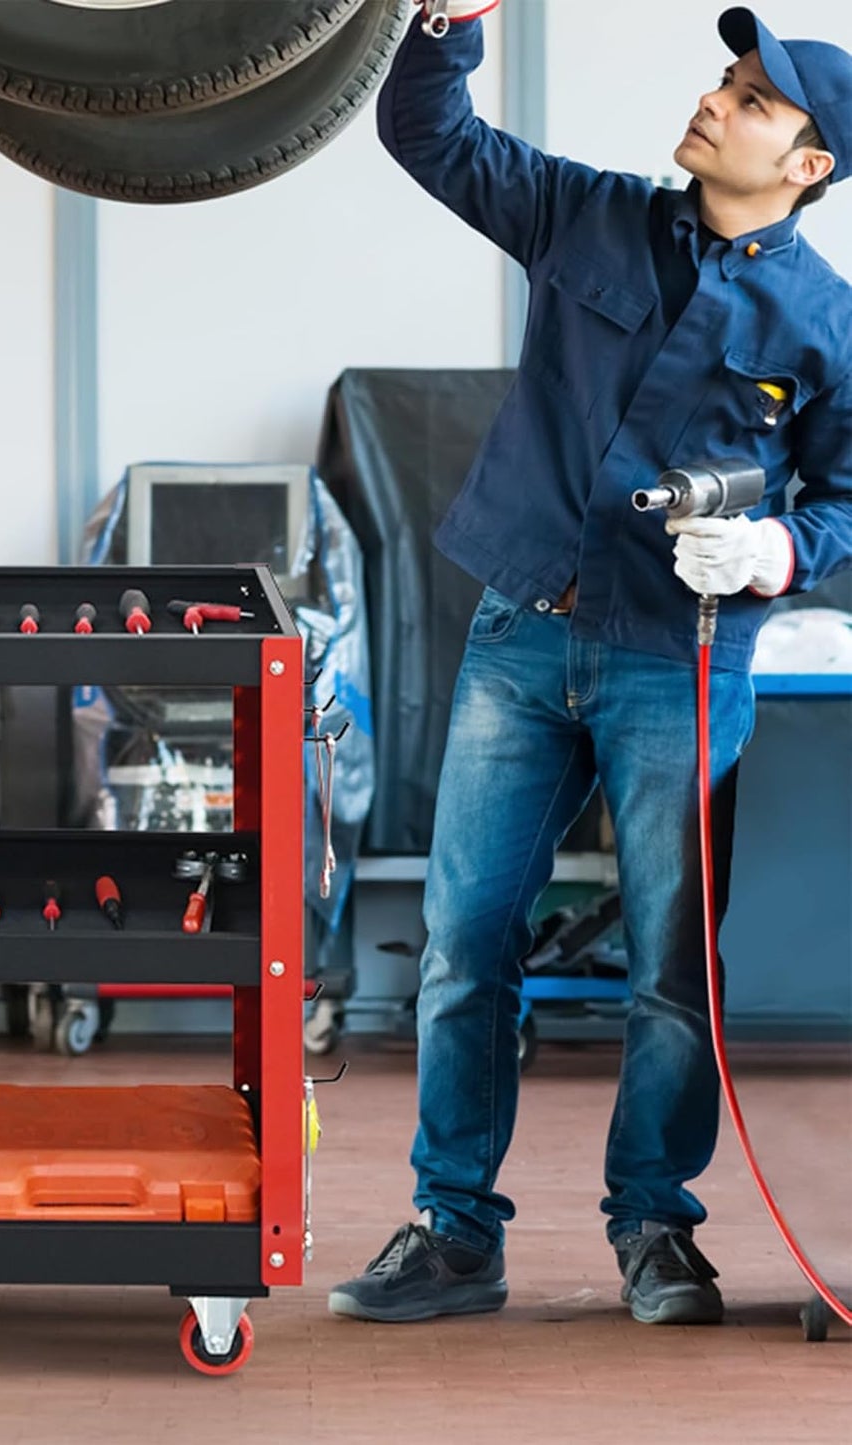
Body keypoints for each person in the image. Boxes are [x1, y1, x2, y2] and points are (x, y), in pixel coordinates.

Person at [329, 2, 852, 1327]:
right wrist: (444, 26)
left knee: (673, 968)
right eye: (723, 78)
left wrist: (779, 554)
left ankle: (654, 1230)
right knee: (461, 945)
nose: (716, 102)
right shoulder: (589, 216)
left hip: (677, 664)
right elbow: (426, 133)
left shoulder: (824, 326)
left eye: (753, 100)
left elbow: (848, 498)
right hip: (519, 633)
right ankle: (453, 1232)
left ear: (806, 166)